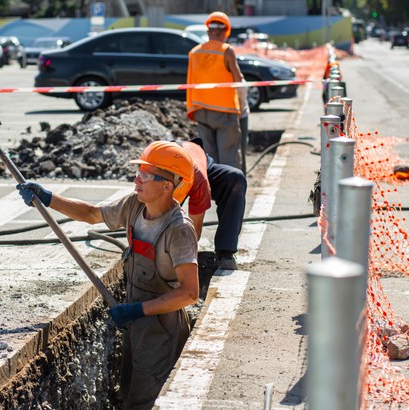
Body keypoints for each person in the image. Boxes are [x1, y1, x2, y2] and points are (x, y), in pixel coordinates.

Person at [17, 141, 199, 409]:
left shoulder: (179, 230)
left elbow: (189, 293)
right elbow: (92, 214)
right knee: (127, 393)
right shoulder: (133, 206)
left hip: (161, 333)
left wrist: (138, 310)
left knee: (145, 401)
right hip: (135, 325)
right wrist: (48, 198)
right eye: (139, 173)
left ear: (167, 185)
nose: (137, 180)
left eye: (146, 175)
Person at [174, 139, 247, 271]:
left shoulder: (199, 179)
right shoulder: (148, 176)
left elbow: (195, 231)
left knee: (235, 179)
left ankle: (225, 252)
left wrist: (182, 259)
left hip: (198, 162)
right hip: (175, 164)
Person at [187, 11, 245, 170]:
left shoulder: (194, 52)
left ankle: (213, 191)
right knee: (229, 156)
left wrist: (192, 108)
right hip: (225, 111)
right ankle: (231, 192)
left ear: (208, 31)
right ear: (226, 31)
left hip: (201, 110)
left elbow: (190, 82)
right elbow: (238, 79)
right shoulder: (227, 51)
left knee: (209, 158)